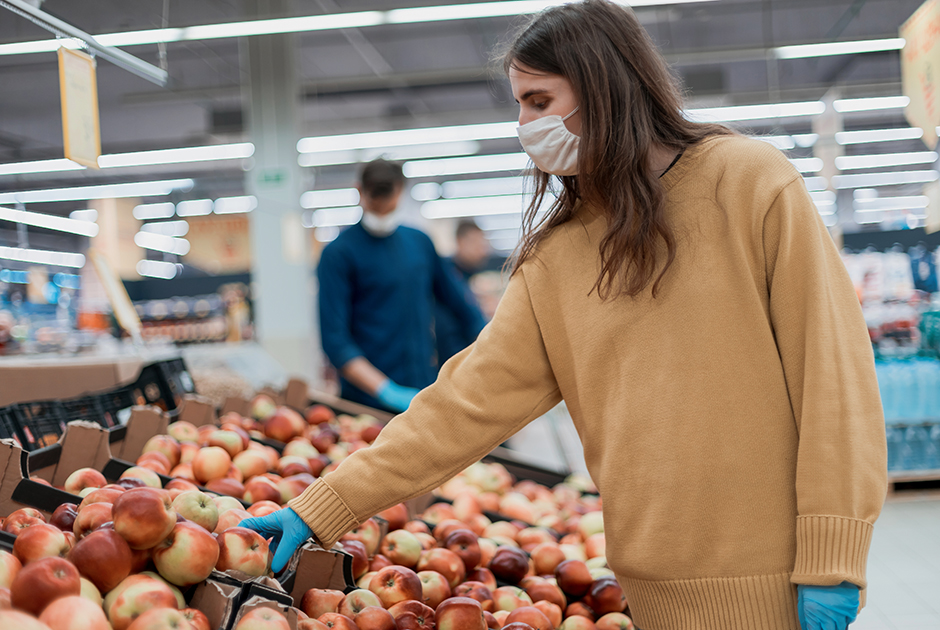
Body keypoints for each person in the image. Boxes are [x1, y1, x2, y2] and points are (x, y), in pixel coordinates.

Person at [242, 2, 887, 629]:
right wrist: (322, 506)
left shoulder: (749, 185)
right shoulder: (556, 255)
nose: (523, 124)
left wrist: (834, 552)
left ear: (603, 89)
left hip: (771, 578)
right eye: (519, 104)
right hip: (649, 587)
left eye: (539, 101)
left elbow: (833, 376)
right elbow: (466, 402)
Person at [316, 159, 486, 413]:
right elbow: (335, 341)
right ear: (359, 191)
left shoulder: (419, 243)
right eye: (376, 205)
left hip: (422, 392)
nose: (382, 211)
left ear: (400, 192)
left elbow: (460, 305)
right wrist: (385, 389)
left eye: (389, 204)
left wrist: (493, 344)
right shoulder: (339, 254)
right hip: (364, 403)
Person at [435, 220, 504, 364]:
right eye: (475, 244)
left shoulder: (469, 276)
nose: (482, 251)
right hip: (452, 356)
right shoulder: (447, 275)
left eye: (482, 245)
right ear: (459, 242)